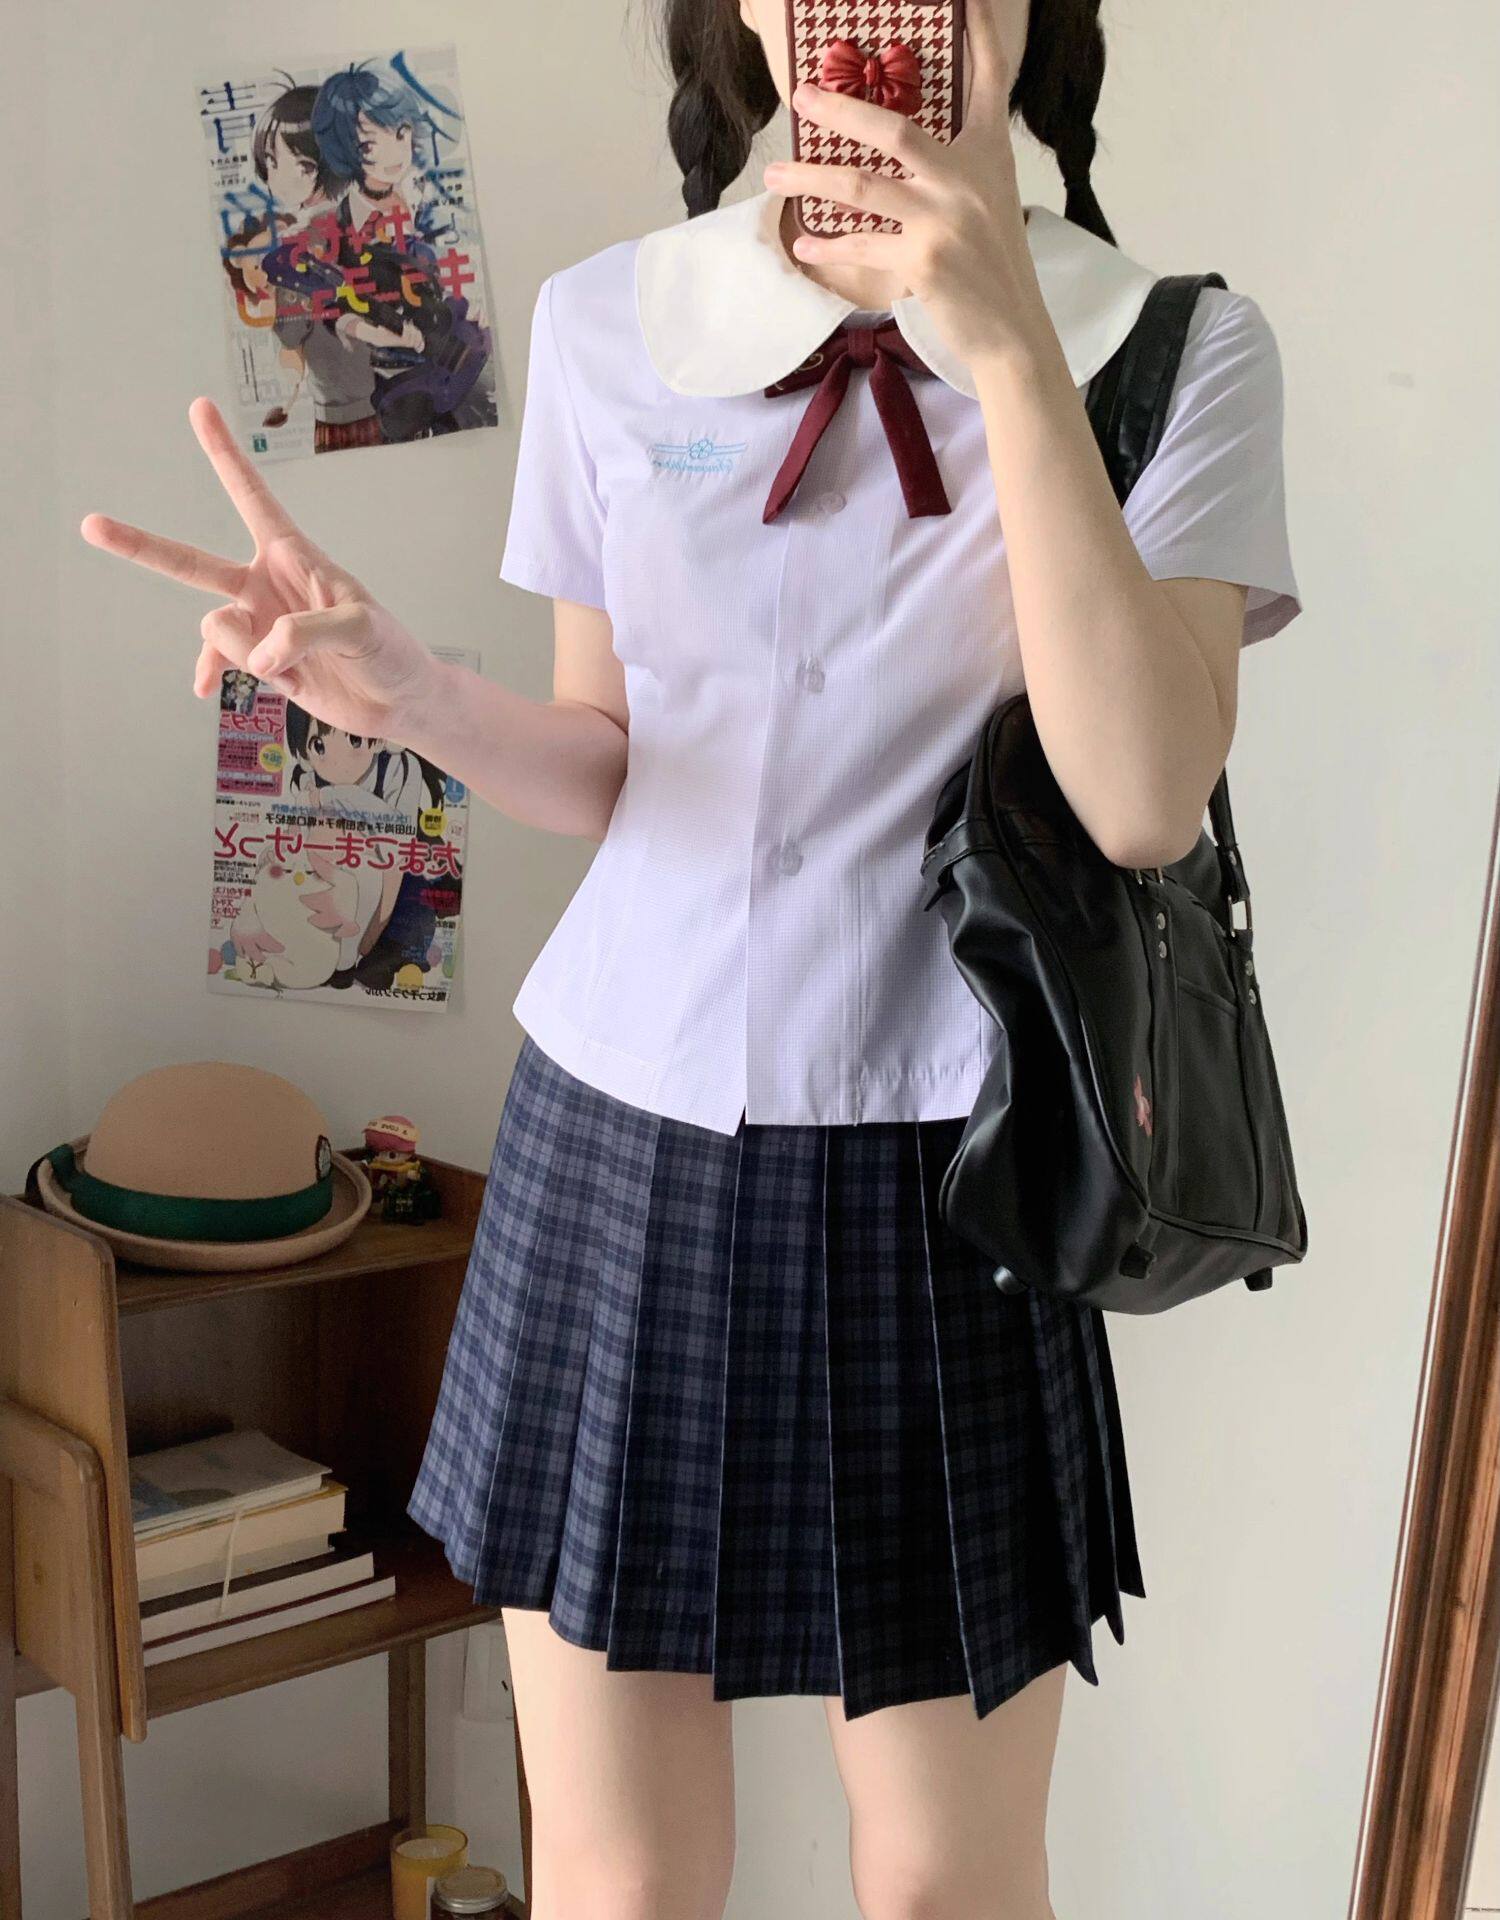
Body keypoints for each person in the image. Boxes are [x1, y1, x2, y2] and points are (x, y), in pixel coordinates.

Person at [78, 0, 1301, 1912]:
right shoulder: (611, 322)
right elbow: (614, 762)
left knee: (949, 1885)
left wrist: (1000, 339)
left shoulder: (1174, 346)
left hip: (955, 1175)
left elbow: (1143, 799)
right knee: (618, 1882)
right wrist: (411, 696)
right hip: (616, 1147)